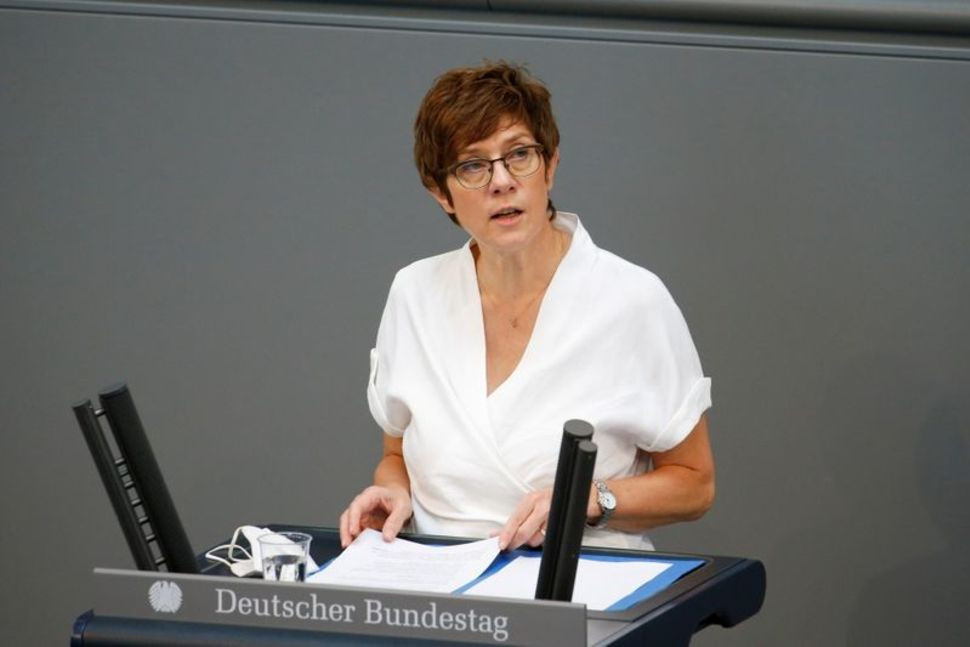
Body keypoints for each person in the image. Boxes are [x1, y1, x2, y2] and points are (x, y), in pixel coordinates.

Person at [340, 61, 714, 553]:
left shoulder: (631, 299)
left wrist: (589, 498)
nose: (502, 181)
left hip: (581, 586)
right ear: (440, 193)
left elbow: (694, 484)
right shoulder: (414, 292)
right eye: (473, 165)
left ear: (551, 165)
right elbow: (396, 452)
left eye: (519, 155)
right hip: (442, 593)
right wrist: (394, 491)